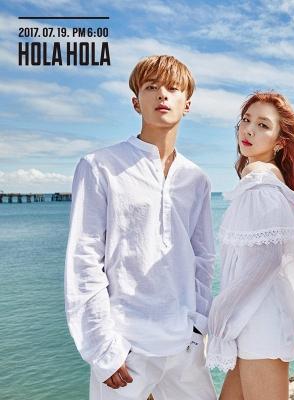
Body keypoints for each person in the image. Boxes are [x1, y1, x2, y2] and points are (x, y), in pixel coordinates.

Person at [64, 55, 217, 400]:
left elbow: (203, 258)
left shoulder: (197, 179)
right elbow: (84, 260)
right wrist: (103, 348)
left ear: (187, 104)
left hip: (185, 345)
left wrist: (198, 326)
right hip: (126, 346)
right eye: (151, 87)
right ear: (136, 102)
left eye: (173, 88)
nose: (162, 94)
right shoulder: (99, 166)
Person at [206, 91, 294, 400]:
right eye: (246, 120)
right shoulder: (262, 181)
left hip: (261, 321)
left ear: (280, 141)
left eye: (263, 125)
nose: (249, 130)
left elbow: (267, 260)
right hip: (255, 318)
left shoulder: (260, 182)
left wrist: (220, 316)